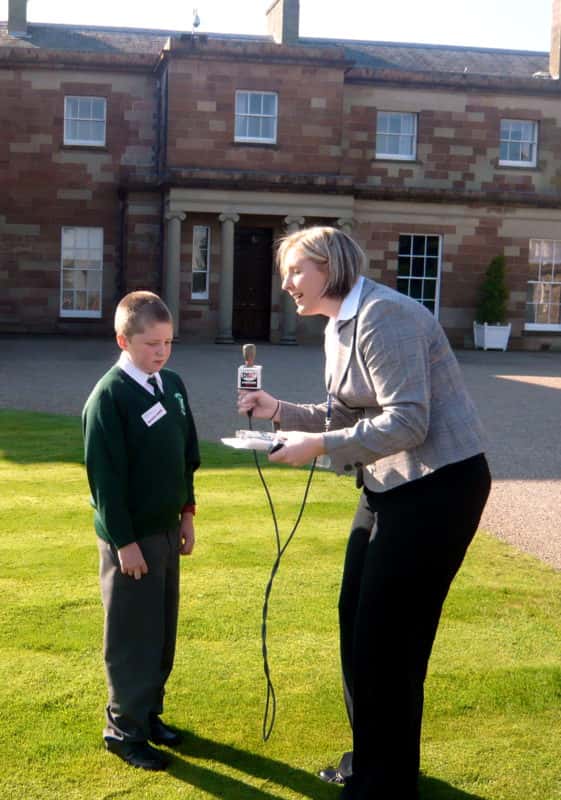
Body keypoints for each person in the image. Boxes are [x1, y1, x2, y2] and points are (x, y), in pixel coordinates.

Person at [238, 226, 491, 800]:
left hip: (439, 487)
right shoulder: (339, 323)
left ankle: (385, 783)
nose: (286, 284)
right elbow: (346, 413)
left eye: (295, 270)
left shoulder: (385, 316)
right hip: (389, 485)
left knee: (390, 638)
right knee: (357, 620)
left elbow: (408, 421)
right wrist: (278, 411)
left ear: (330, 267)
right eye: (284, 273)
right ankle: (373, 760)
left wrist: (318, 447)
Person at [82, 291, 200, 771]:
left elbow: (186, 456)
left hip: (167, 530)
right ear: (123, 340)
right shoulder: (108, 397)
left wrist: (187, 514)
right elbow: (105, 483)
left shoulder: (171, 384)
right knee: (132, 633)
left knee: (161, 630)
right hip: (131, 540)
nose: (161, 352)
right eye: (152, 344)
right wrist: (124, 543)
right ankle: (123, 729)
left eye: (168, 342)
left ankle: (149, 713)